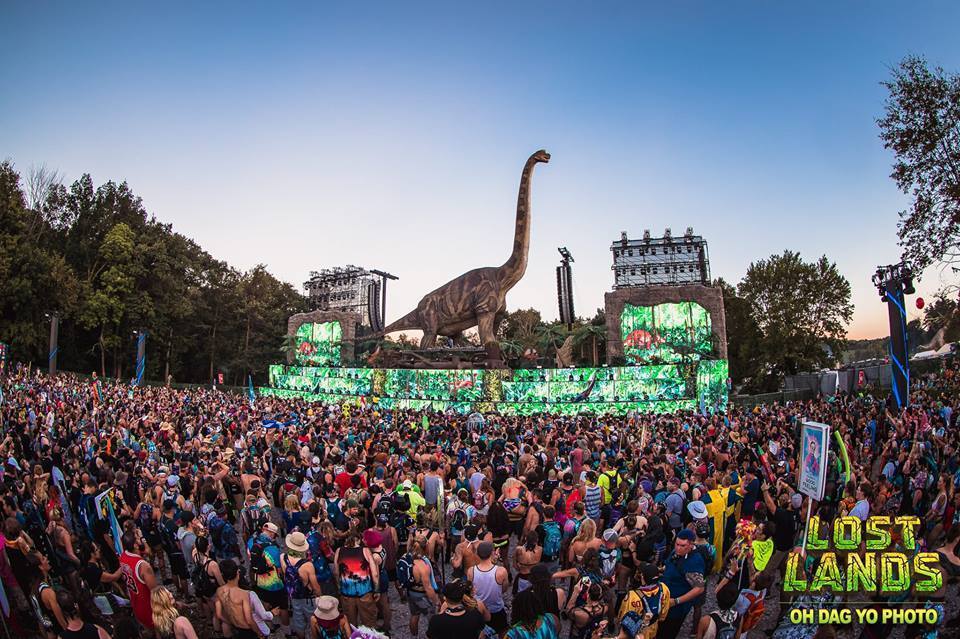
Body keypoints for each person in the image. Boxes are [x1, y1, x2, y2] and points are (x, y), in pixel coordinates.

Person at [655, 529, 705, 639]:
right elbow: (668, 565)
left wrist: (676, 601)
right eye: (677, 544)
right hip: (663, 600)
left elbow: (699, 588)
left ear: (691, 545)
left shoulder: (694, 561)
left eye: (682, 546)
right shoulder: (677, 552)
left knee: (666, 633)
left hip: (675, 608)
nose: (678, 548)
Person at [333, 531, 379, 628]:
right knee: (369, 622)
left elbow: (336, 572)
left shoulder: (339, 551)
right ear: (358, 539)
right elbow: (375, 574)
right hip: (365, 592)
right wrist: (377, 590)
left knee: (350, 624)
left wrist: (339, 587)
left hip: (346, 593)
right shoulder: (365, 551)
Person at [282, 532, 323, 639]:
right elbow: (315, 586)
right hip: (307, 597)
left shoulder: (283, 558)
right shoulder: (307, 565)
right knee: (313, 620)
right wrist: (320, 597)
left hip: (293, 595)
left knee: (298, 620)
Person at [618, 562, 671, 639]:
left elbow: (625, 618)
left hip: (638, 633)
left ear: (642, 577)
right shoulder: (664, 588)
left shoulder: (633, 596)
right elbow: (663, 614)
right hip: (653, 627)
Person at [468, 541, 509, 635]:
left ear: (478, 554)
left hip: (479, 610)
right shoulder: (501, 571)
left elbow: (471, 590)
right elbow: (504, 589)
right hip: (496, 609)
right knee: (502, 631)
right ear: (492, 553)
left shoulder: (471, 571)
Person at [119, 531, 157, 632]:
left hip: (136, 604)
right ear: (135, 545)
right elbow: (156, 592)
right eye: (138, 538)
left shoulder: (123, 557)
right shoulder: (143, 566)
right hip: (149, 607)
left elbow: (147, 552)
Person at [215, 559, 259, 639]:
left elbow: (219, 614)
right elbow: (249, 620)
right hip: (247, 630)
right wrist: (259, 633)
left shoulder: (219, 591)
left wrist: (230, 622)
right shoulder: (243, 594)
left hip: (235, 628)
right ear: (237, 573)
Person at [406, 539, 441, 638]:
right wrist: (436, 601)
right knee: (432, 619)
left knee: (414, 615)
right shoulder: (422, 565)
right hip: (421, 596)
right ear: (426, 548)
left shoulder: (407, 558)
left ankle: (414, 636)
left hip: (410, 592)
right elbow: (428, 587)